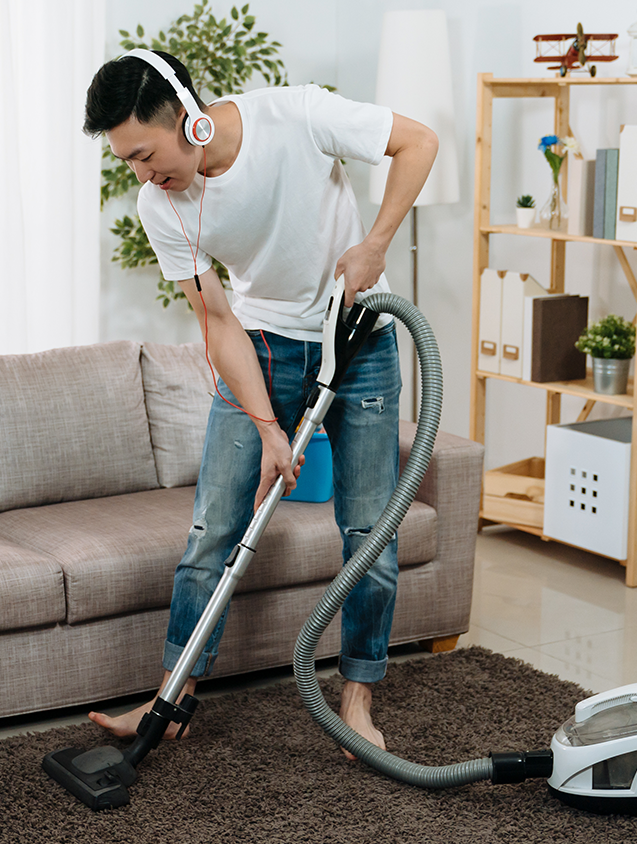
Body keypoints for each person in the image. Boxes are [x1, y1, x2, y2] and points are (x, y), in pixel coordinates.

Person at [81, 49, 437, 757]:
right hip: (264, 346)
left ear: (190, 120)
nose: (144, 175)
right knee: (214, 529)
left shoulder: (296, 114)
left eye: (147, 154)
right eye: (128, 163)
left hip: (359, 336)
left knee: (371, 529)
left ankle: (357, 698)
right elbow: (216, 319)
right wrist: (271, 429)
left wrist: (374, 244)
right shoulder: (161, 206)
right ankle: (172, 697)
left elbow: (417, 140)